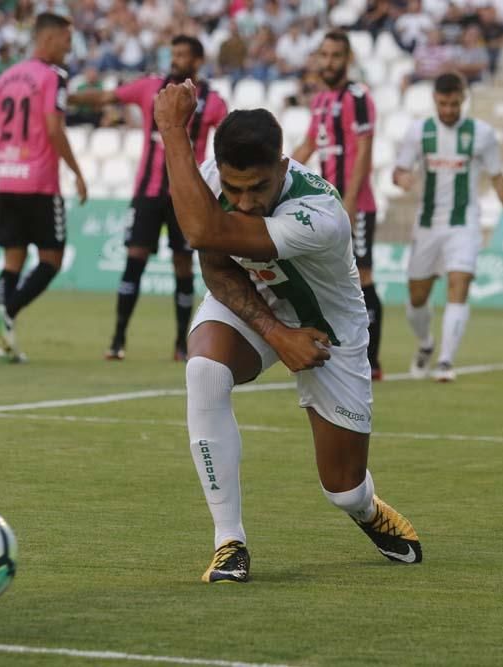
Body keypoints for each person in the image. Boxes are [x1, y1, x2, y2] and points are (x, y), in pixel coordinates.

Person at [154, 84, 423, 583]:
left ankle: (366, 507)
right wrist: (275, 332)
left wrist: (172, 128)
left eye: (257, 187)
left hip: (329, 331)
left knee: (341, 489)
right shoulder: (212, 180)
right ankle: (228, 541)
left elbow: (203, 232)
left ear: (282, 166)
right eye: (234, 190)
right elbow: (213, 263)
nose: (245, 201)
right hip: (260, 306)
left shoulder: (319, 215)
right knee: (205, 371)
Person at [67, 35, 227, 362]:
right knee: (134, 260)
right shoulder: (150, 87)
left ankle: (181, 345)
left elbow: (227, 139)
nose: (176, 59)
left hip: (185, 197)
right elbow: (108, 97)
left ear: (197, 61)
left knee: (183, 266)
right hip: (147, 194)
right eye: (174, 53)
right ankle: (118, 339)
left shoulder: (212, 100)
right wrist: (67, 98)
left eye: (183, 54)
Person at [392, 73, 503, 382]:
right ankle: (426, 344)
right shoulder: (418, 132)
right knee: (417, 297)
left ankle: (446, 361)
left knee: (459, 284)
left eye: (454, 104)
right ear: (434, 100)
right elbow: (398, 170)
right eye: (442, 104)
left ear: (463, 99)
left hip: (464, 223)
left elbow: (498, 177)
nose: (448, 110)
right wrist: (402, 179)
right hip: (427, 225)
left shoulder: (482, 134)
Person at [0, 12, 88, 363]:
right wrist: (77, 172)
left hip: (7, 181)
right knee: (51, 260)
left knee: (12, 261)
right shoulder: (53, 77)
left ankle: (5, 339)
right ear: (50, 38)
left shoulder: (6, 77)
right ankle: (7, 311)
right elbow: (54, 129)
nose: (69, 49)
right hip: (39, 184)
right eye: (66, 42)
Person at [292, 31, 384, 379]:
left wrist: (350, 203)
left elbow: (364, 152)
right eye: (324, 55)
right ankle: (339, 350)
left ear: (347, 60)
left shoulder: (358, 97)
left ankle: (371, 360)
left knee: (363, 276)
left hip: (354, 204)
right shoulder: (320, 100)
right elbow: (308, 147)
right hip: (327, 204)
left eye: (335, 56)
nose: (328, 62)